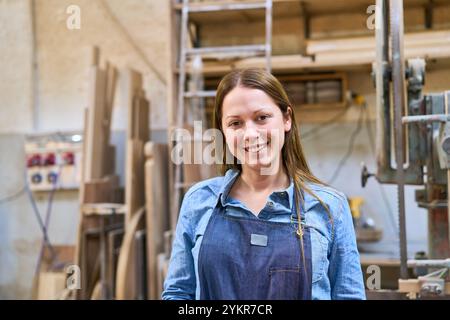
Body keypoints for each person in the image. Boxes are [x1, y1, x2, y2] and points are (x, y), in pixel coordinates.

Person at [162, 68, 366, 300]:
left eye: (262, 118)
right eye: (236, 123)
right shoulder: (199, 200)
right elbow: (178, 293)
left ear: (286, 119)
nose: (250, 133)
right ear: (223, 132)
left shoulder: (329, 207)